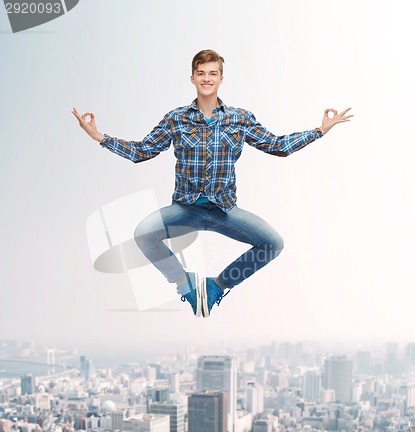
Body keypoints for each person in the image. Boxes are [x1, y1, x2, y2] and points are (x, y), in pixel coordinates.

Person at [72, 49, 352, 318]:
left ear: (220, 79)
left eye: (213, 73)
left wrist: (319, 131)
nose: (207, 78)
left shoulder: (239, 118)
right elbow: (143, 150)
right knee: (144, 233)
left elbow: (277, 146)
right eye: (201, 73)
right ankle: (186, 286)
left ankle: (217, 287)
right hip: (185, 209)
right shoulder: (176, 118)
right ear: (192, 78)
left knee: (273, 243)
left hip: (224, 210)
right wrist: (101, 138)